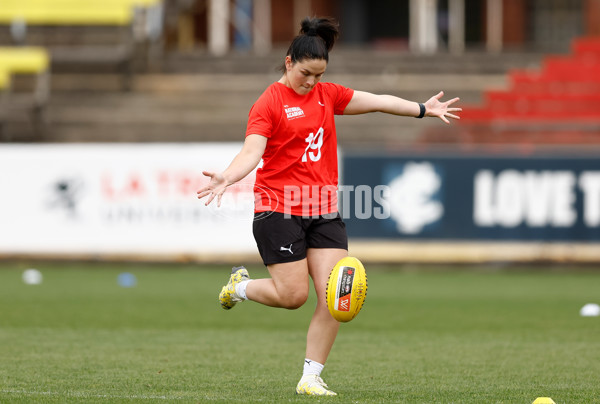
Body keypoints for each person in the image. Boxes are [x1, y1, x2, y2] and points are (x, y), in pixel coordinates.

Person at [197, 16, 461, 396]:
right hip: (279, 209)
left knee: (336, 296)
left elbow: (378, 102)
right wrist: (228, 175)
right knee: (293, 297)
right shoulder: (268, 103)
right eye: (306, 73)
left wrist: (422, 109)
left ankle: (311, 377)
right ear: (289, 62)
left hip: (323, 209)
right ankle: (240, 287)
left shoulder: (327, 95)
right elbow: (252, 151)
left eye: (318, 76)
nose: (311, 82)